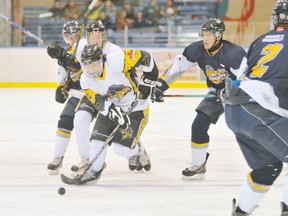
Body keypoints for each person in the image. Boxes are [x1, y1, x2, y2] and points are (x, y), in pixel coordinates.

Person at [153, 18, 246, 180]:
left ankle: (275, 158)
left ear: (219, 35)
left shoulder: (234, 54)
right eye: (204, 34)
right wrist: (161, 85)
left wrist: (232, 91)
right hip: (216, 92)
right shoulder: (196, 49)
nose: (205, 39)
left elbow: (246, 79)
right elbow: (178, 68)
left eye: (209, 35)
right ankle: (198, 164)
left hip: (239, 96)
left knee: (250, 130)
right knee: (198, 125)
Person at [222, 1, 288, 215]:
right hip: (262, 110)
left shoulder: (261, 40)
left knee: (268, 168)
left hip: (236, 110)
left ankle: (241, 212)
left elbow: (239, 76)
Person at [74, 43, 158, 184]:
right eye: (86, 65)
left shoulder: (118, 59)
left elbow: (145, 56)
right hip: (112, 106)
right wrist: (112, 112)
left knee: (122, 150)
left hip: (136, 107)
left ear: (102, 60)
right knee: (96, 141)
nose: (90, 69)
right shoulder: (85, 80)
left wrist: (150, 80)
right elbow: (97, 101)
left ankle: (139, 150)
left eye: (94, 64)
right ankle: (94, 171)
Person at [46, 21, 84, 175]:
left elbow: (87, 73)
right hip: (78, 95)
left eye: (75, 36)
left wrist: (66, 58)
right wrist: (61, 88)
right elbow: (63, 76)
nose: (72, 39)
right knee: (65, 119)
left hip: (96, 94)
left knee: (113, 124)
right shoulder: (65, 54)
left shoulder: (88, 48)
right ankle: (58, 157)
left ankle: (137, 152)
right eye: (69, 37)